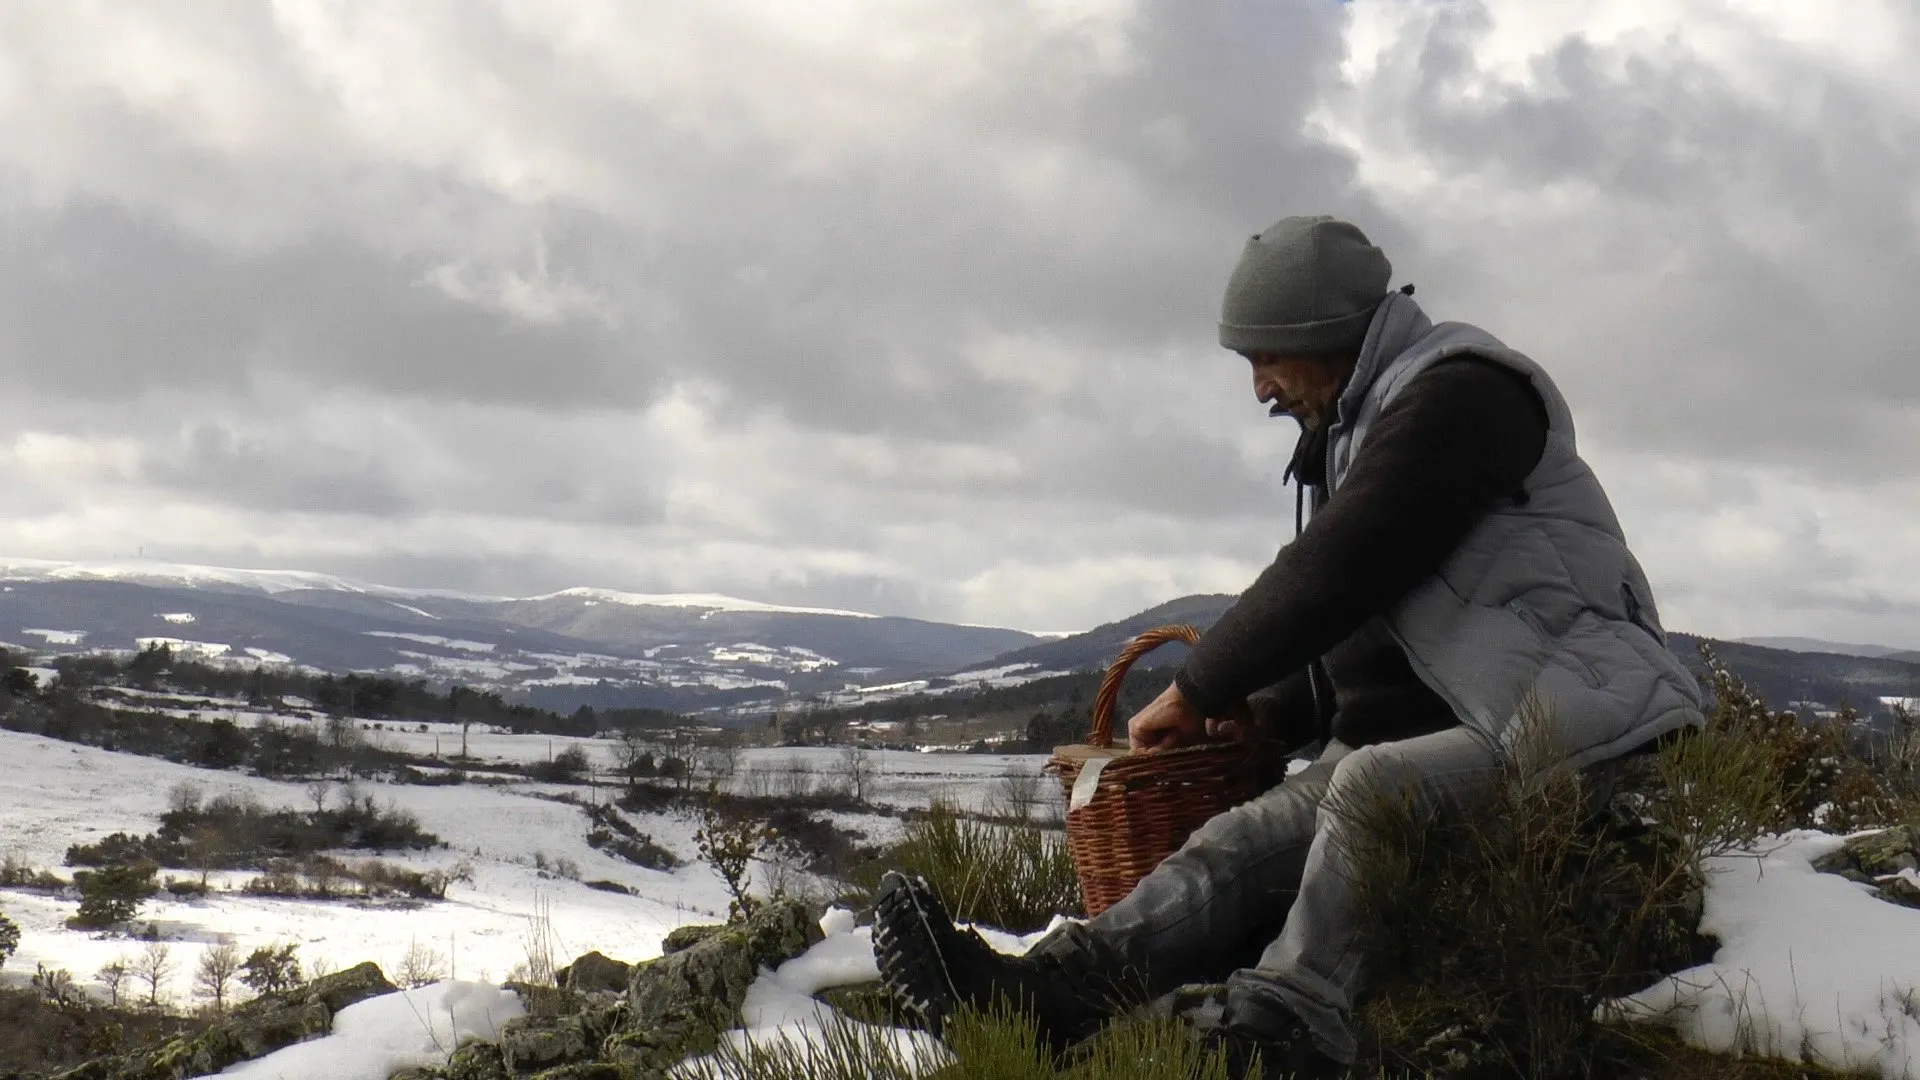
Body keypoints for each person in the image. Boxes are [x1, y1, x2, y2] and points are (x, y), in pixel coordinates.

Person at [870, 215, 1706, 1078]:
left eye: (1268, 359)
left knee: (1369, 788)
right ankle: (1040, 995)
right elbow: (1374, 622)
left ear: (1327, 335)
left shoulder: (1464, 395)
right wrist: (1272, 714)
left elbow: (1355, 557)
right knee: (1238, 843)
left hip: (1573, 725)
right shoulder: (1357, 427)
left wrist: (1200, 686)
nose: (1262, 389)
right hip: (1457, 731)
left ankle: (1287, 1025)